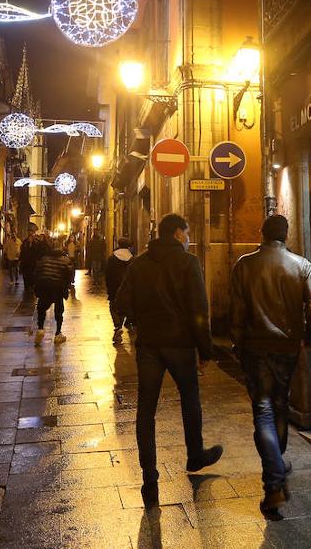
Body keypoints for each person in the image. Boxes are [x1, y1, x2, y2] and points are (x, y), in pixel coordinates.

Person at [115, 214, 223, 508]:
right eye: (187, 232)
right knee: (190, 400)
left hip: (149, 345)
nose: (188, 237)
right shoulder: (188, 263)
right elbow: (199, 310)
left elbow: (121, 303)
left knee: (145, 410)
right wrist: (206, 350)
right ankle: (195, 454)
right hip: (181, 344)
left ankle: (149, 477)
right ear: (177, 234)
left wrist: (140, 320)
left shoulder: (139, 264)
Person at [228, 214, 311, 517]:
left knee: (264, 410)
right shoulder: (302, 265)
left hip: (256, 348)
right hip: (287, 347)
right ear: (286, 234)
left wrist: (237, 342)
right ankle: (277, 464)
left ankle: (274, 482)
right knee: (279, 404)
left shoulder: (244, 264)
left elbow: (237, 310)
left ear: (262, 233)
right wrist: (310, 336)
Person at [32, 237, 74, 345]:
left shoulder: (44, 258)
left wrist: (36, 286)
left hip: (44, 285)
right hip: (58, 287)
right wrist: (68, 284)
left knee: (41, 308)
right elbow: (70, 274)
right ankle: (58, 333)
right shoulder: (65, 260)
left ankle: (40, 328)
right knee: (59, 310)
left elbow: (37, 272)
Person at [104, 237, 134, 344]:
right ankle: (128, 323)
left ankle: (117, 326)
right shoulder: (132, 258)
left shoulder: (112, 257)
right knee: (126, 305)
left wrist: (108, 286)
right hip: (127, 287)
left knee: (113, 306)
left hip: (114, 286)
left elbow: (107, 273)